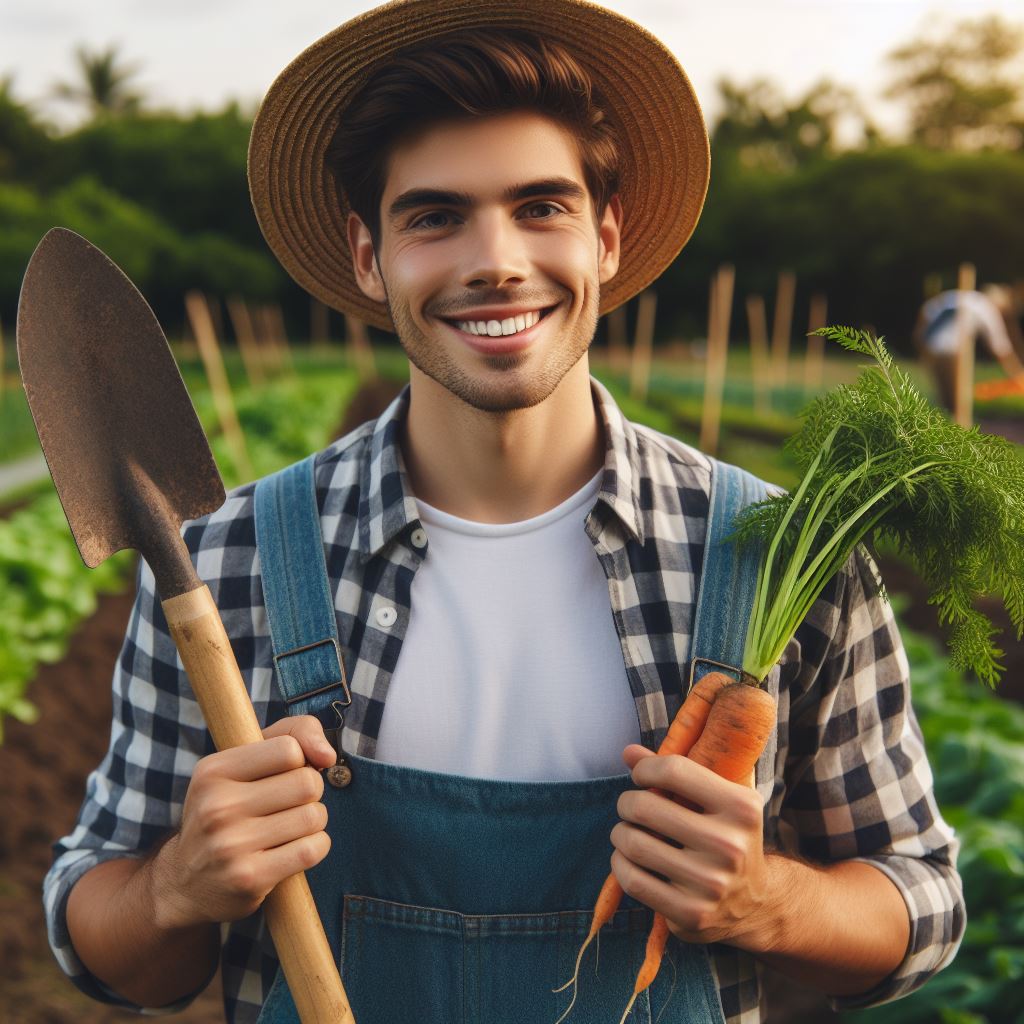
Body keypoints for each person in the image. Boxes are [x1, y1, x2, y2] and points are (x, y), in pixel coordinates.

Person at [43, 3, 965, 1022]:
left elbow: (914, 903)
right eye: (435, 216)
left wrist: (763, 900)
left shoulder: (783, 555)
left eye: (541, 207)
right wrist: (179, 884)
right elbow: (117, 952)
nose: (495, 258)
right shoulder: (225, 562)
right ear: (367, 255)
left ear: (606, 236)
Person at [913, 284, 1024, 411]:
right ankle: (954, 425)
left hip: (930, 345)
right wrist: (1018, 375)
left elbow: (927, 310)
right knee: (954, 402)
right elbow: (1000, 348)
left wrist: (919, 339)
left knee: (942, 397)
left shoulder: (964, 296)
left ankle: (942, 422)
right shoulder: (986, 308)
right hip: (950, 350)